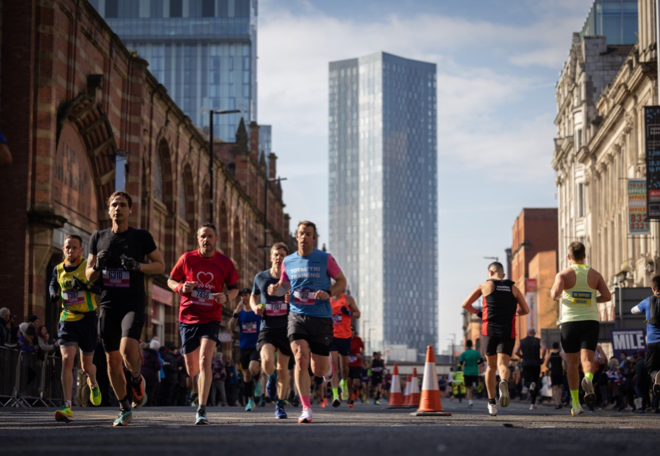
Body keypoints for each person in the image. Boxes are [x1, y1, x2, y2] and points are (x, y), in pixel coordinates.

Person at [86, 191, 165, 426]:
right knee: (111, 360)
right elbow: (89, 276)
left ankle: (136, 379)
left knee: (128, 349)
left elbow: (160, 266)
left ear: (130, 210)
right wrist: (97, 266)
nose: (117, 208)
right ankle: (124, 407)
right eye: (113, 205)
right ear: (109, 210)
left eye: (122, 205)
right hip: (108, 304)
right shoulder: (98, 237)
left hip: (133, 302)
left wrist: (137, 266)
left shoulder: (141, 237)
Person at [268, 221, 348, 423]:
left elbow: (342, 281)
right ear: (296, 236)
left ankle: (327, 368)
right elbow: (284, 285)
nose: (304, 237)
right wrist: (275, 291)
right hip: (297, 316)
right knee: (301, 357)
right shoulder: (288, 261)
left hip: (320, 317)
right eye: (301, 233)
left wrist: (328, 293)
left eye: (308, 234)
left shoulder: (325, 259)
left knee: (318, 369)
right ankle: (306, 408)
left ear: (314, 238)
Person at [168, 222, 238, 424]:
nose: (206, 240)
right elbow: (170, 280)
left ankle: (201, 408)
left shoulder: (225, 262)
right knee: (192, 369)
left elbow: (234, 288)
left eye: (210, 236)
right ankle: (196, 391)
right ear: (198, 239)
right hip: (188, 316)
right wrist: (180, 287)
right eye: (202, 236)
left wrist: (226, 297)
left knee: (205, 360)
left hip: (211, 317)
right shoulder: (187, 258)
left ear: (216, 239)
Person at [461, 261, 529, 416]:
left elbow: (465, 304)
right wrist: (514, 313)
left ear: (490, 273)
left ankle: (492, 402)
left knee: (491, 367)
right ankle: (503, 382)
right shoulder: (513, 288)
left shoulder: (484, 286)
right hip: (508, 331)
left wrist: (480, 314)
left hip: (489, 330)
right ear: (503, 275)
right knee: (503, 364)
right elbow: (526, 309)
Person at [551, 241, 611, 416]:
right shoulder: (595, 274)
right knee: (587, 360)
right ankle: (588, 378)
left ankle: (576, 404)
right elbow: (606, 296)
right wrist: (592, 299)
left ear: (569, 257)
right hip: (590, 321)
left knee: (572, 363)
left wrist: (556, 293)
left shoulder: (563, 274)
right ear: (585, 256)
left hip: (569, 322)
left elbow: (555, 294)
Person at [49, 234, 102, 422]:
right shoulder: (58, 269)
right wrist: (53, 293)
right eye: (67, 247)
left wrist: (85, 286)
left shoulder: (88, 266)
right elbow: (53, 284)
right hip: (67, 318)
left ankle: (93, 383)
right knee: (66, 360)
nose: (70, 251)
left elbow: (100, 288)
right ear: (63, 249)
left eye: (74, 247)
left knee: (87, 365)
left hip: (88, 319)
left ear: (81, 250)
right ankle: (67, 406)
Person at [250, 242, 293, 419]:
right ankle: (271, 377)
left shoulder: (291, 278)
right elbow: (254, 297)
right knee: (267, 361)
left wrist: (292, 299)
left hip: (287, 327)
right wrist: (255, 308)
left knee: (284, 368)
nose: (278, 258)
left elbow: (302, 299)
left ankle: (280, 405)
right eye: (276, 254)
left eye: (282, 255)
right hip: (267, 326)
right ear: (271, 257)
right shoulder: (261, 277)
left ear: (286, 258)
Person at [229, 288, 262, 412]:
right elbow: (231, 327)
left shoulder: (257, 309)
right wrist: (235, 314)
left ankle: (258, 380)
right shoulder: (240, 312)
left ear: (251, 296)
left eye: (246, 295)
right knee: (246, 376)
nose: (244, 298)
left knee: (253, 369)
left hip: (256, 345)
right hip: (244, 347)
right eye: (242, 296)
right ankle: (250, 400)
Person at [329, 290, 361, 407]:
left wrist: (348, 312)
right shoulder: (328, 300)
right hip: (332, 337)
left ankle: (344, 382)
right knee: (334, 366)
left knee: (344, 368)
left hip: (345, 337)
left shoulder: (347, 299)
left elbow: (358, 314)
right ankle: (336, 395)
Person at [631, 275, 660, 402]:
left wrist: (644, 310)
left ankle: (656, 376)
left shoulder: (647, 301)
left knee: (650, 367)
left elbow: (633, 310)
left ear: (653, 289)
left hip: (653, 342)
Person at [515, 328, 546, 410]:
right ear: (534, 333)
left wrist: (522, 356)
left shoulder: (522, 341)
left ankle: (528, 386)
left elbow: (516, 351)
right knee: (535, 382)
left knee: (526, 380)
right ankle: (533, 404)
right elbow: (544, 348)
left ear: (527, 333)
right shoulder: (538, 340)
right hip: (536, 363)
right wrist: (542, 358)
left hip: (525, 363)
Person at [458, 339, 484, 407]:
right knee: (473, 384)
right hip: (475, 371)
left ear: (466, 345)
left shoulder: (464, 354)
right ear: (472, 345)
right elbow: (481, 360)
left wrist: (462, 366)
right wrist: (477, 363)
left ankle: (470, 401)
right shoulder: (476, 353)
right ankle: (475, 385)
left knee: (468, 387)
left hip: (467, 372)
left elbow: (460, 362)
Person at [141, 339, 162, 407]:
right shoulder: (155, 355)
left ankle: (141, 403)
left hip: (142, 373)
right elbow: (158, 366)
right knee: (150, 391)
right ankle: (148, 404)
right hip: (152, 375)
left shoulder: (143, 353)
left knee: (142, 389)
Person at [545, 342, 566, 409]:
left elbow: (546, 364)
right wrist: (565, 367)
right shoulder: (560, 353)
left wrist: (550, 368)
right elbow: (565, 360)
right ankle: (559, 402)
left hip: (553, 372)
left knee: (554, 388)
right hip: (559, 371)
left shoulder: (550, 354)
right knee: (559, 387)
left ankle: (556, 402)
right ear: (558, 346)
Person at [347, 326, 364, 407]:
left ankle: (354, 392)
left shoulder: (358, 339)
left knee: (356, 383)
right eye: (349, 330)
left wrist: (360, 353)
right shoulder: (345, 339)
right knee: (349, 382)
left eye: (352, 330)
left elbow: (363, 348)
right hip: (348, 364)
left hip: (357, 364)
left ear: (354, 331)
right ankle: (351, 398)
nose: (351, 331)